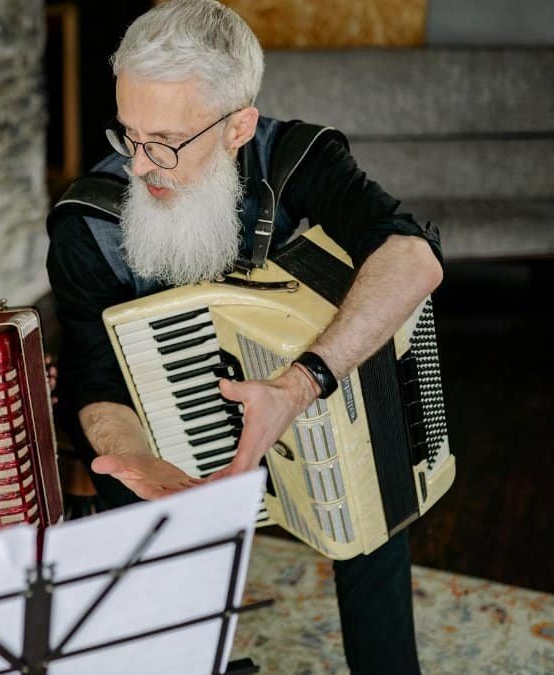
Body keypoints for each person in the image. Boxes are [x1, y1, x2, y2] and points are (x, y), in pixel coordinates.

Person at [45, 1, 443, 672]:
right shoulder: (87, 224)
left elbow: (413, 257)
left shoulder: (298, 160)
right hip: (165, 426)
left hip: (309, 394)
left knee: (376, 494)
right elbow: (93, 370)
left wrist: (298, 386)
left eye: (166, 142)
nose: (141, 166)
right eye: (129, 135)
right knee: (130, 495)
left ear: (238, 126)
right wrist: (134, 458)